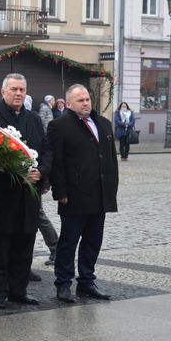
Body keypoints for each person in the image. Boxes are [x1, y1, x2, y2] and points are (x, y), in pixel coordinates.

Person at [0, 74, 52, 308]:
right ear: (3, 92)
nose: (18, 93)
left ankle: (19, 289)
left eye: (22, 89)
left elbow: (45, 149)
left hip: (28, 190)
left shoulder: (33, 118)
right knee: (1, 244)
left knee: (25, 242)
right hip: (3, 190)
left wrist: (41, 171)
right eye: (13, 89)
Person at [47, 84, 118, 303]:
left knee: (93, 241)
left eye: (87, 99)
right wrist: (60, 191)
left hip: (100, 193)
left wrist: (112, 187)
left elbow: (111, 158)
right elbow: (56, 162)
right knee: (69, 243)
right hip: (75, 194)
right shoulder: (58, 125)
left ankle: (86, 282)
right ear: (68, 104)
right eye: (80, 100)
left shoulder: (103, 123)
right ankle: (63, 284)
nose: (85, 103)